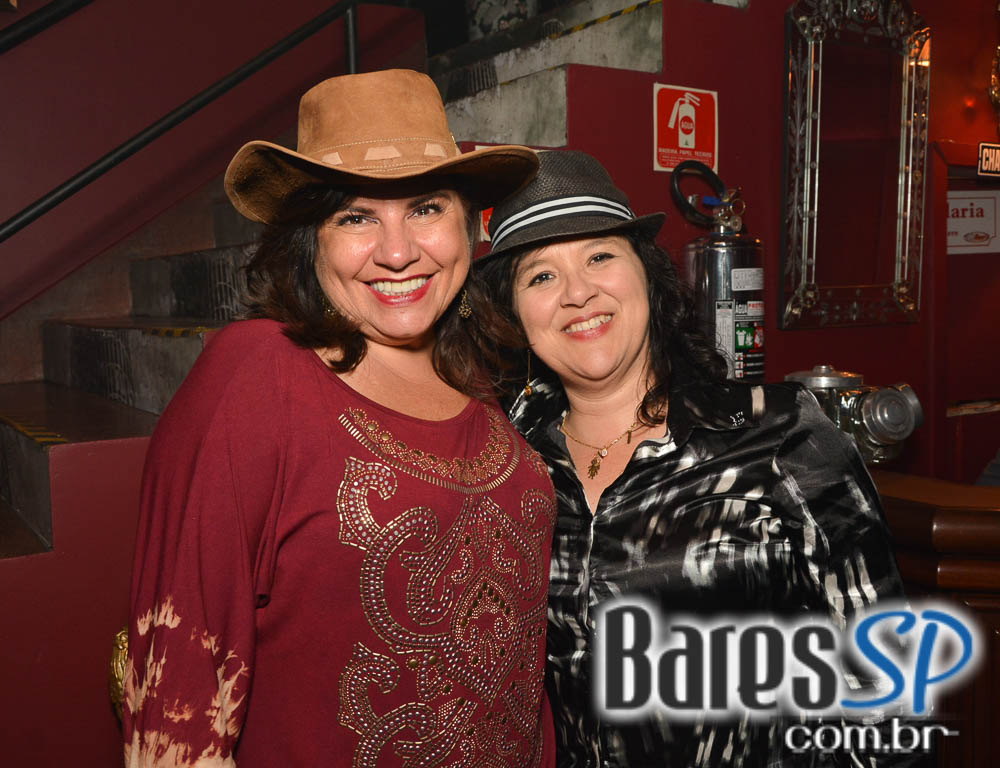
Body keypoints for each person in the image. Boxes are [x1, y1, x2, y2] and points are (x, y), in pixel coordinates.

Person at [123, 69, 558, 767]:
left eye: (425, 208)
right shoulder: (257, 374)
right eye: (356, 217)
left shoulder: (475, 375)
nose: (397, 251)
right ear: (310, 240)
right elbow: (180, 687)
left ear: (468, 225)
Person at [475, 150, 916, 767]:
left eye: (600, 256)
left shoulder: (778, 434)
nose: (577, 292)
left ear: (647, 276)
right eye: (540, 276)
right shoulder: (509, 465)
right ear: (515, 316)